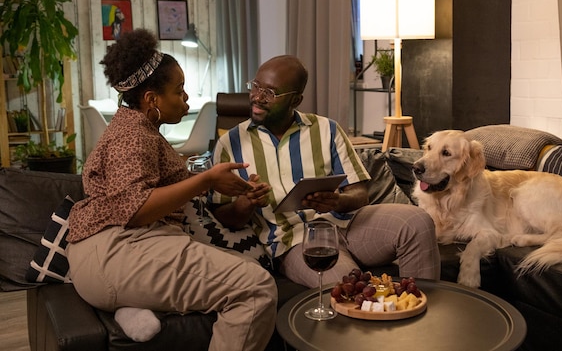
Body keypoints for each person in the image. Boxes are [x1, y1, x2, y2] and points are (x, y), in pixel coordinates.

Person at [66, 29, 277, 351]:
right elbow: (134, 210)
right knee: (255, 287)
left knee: (245, 268)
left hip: (112, 254)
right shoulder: (132, 136)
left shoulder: (135, 129)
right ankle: (123, 295)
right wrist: (205, 180)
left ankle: (132, 302)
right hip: (117, 250)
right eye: (179, 91)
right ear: (152, 99)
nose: (187, 99)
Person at [210, 55, 441, 288]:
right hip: (294, 239)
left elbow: (360, 194)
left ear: (296, 100)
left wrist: (337, 201)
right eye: (256, 86)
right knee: (351, 286)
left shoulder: (326, 129)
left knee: (417, 221)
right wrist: (244, 204)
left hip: (349, 226)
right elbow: (222, 216)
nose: (257, 97)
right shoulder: (230, 143)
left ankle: (421, 313)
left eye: (270, 93)